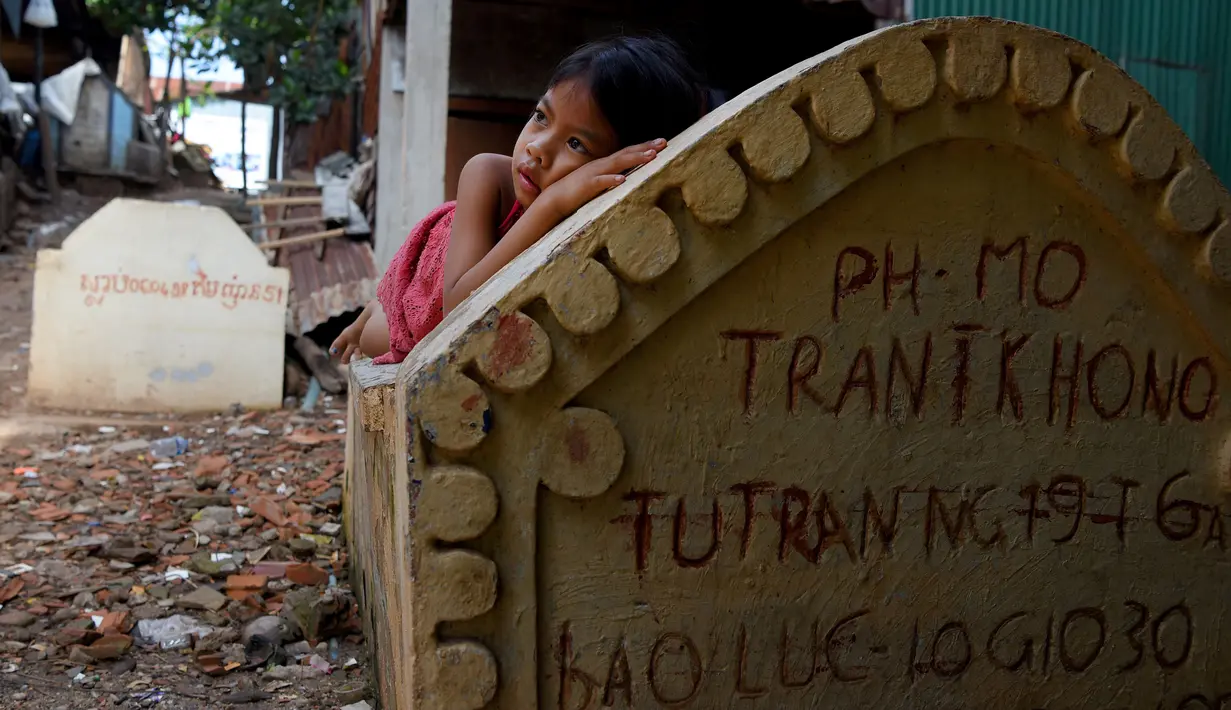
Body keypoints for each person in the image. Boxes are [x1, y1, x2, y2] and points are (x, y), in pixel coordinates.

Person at [331, 35, 708, 365]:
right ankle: (373, 310)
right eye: (542, 116)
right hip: (432, 286)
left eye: (576, 144)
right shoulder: (487, 175)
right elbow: (455, 311)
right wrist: (551, 204)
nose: (537, 147)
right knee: (372, 338)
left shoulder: (598, 218)